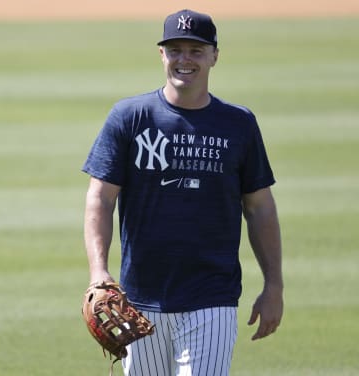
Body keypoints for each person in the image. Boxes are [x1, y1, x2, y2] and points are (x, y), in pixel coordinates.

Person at [82, 9, 283, 376]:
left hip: (212, 299)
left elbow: (259, 208)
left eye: (196, 50)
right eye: (175, 49)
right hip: (139, 301)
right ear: (161, 54)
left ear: (214, 56)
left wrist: (274, 285)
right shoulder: (130, 117)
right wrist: (99, 272)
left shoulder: (239, 123)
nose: (184, 59)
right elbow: (101, 196)